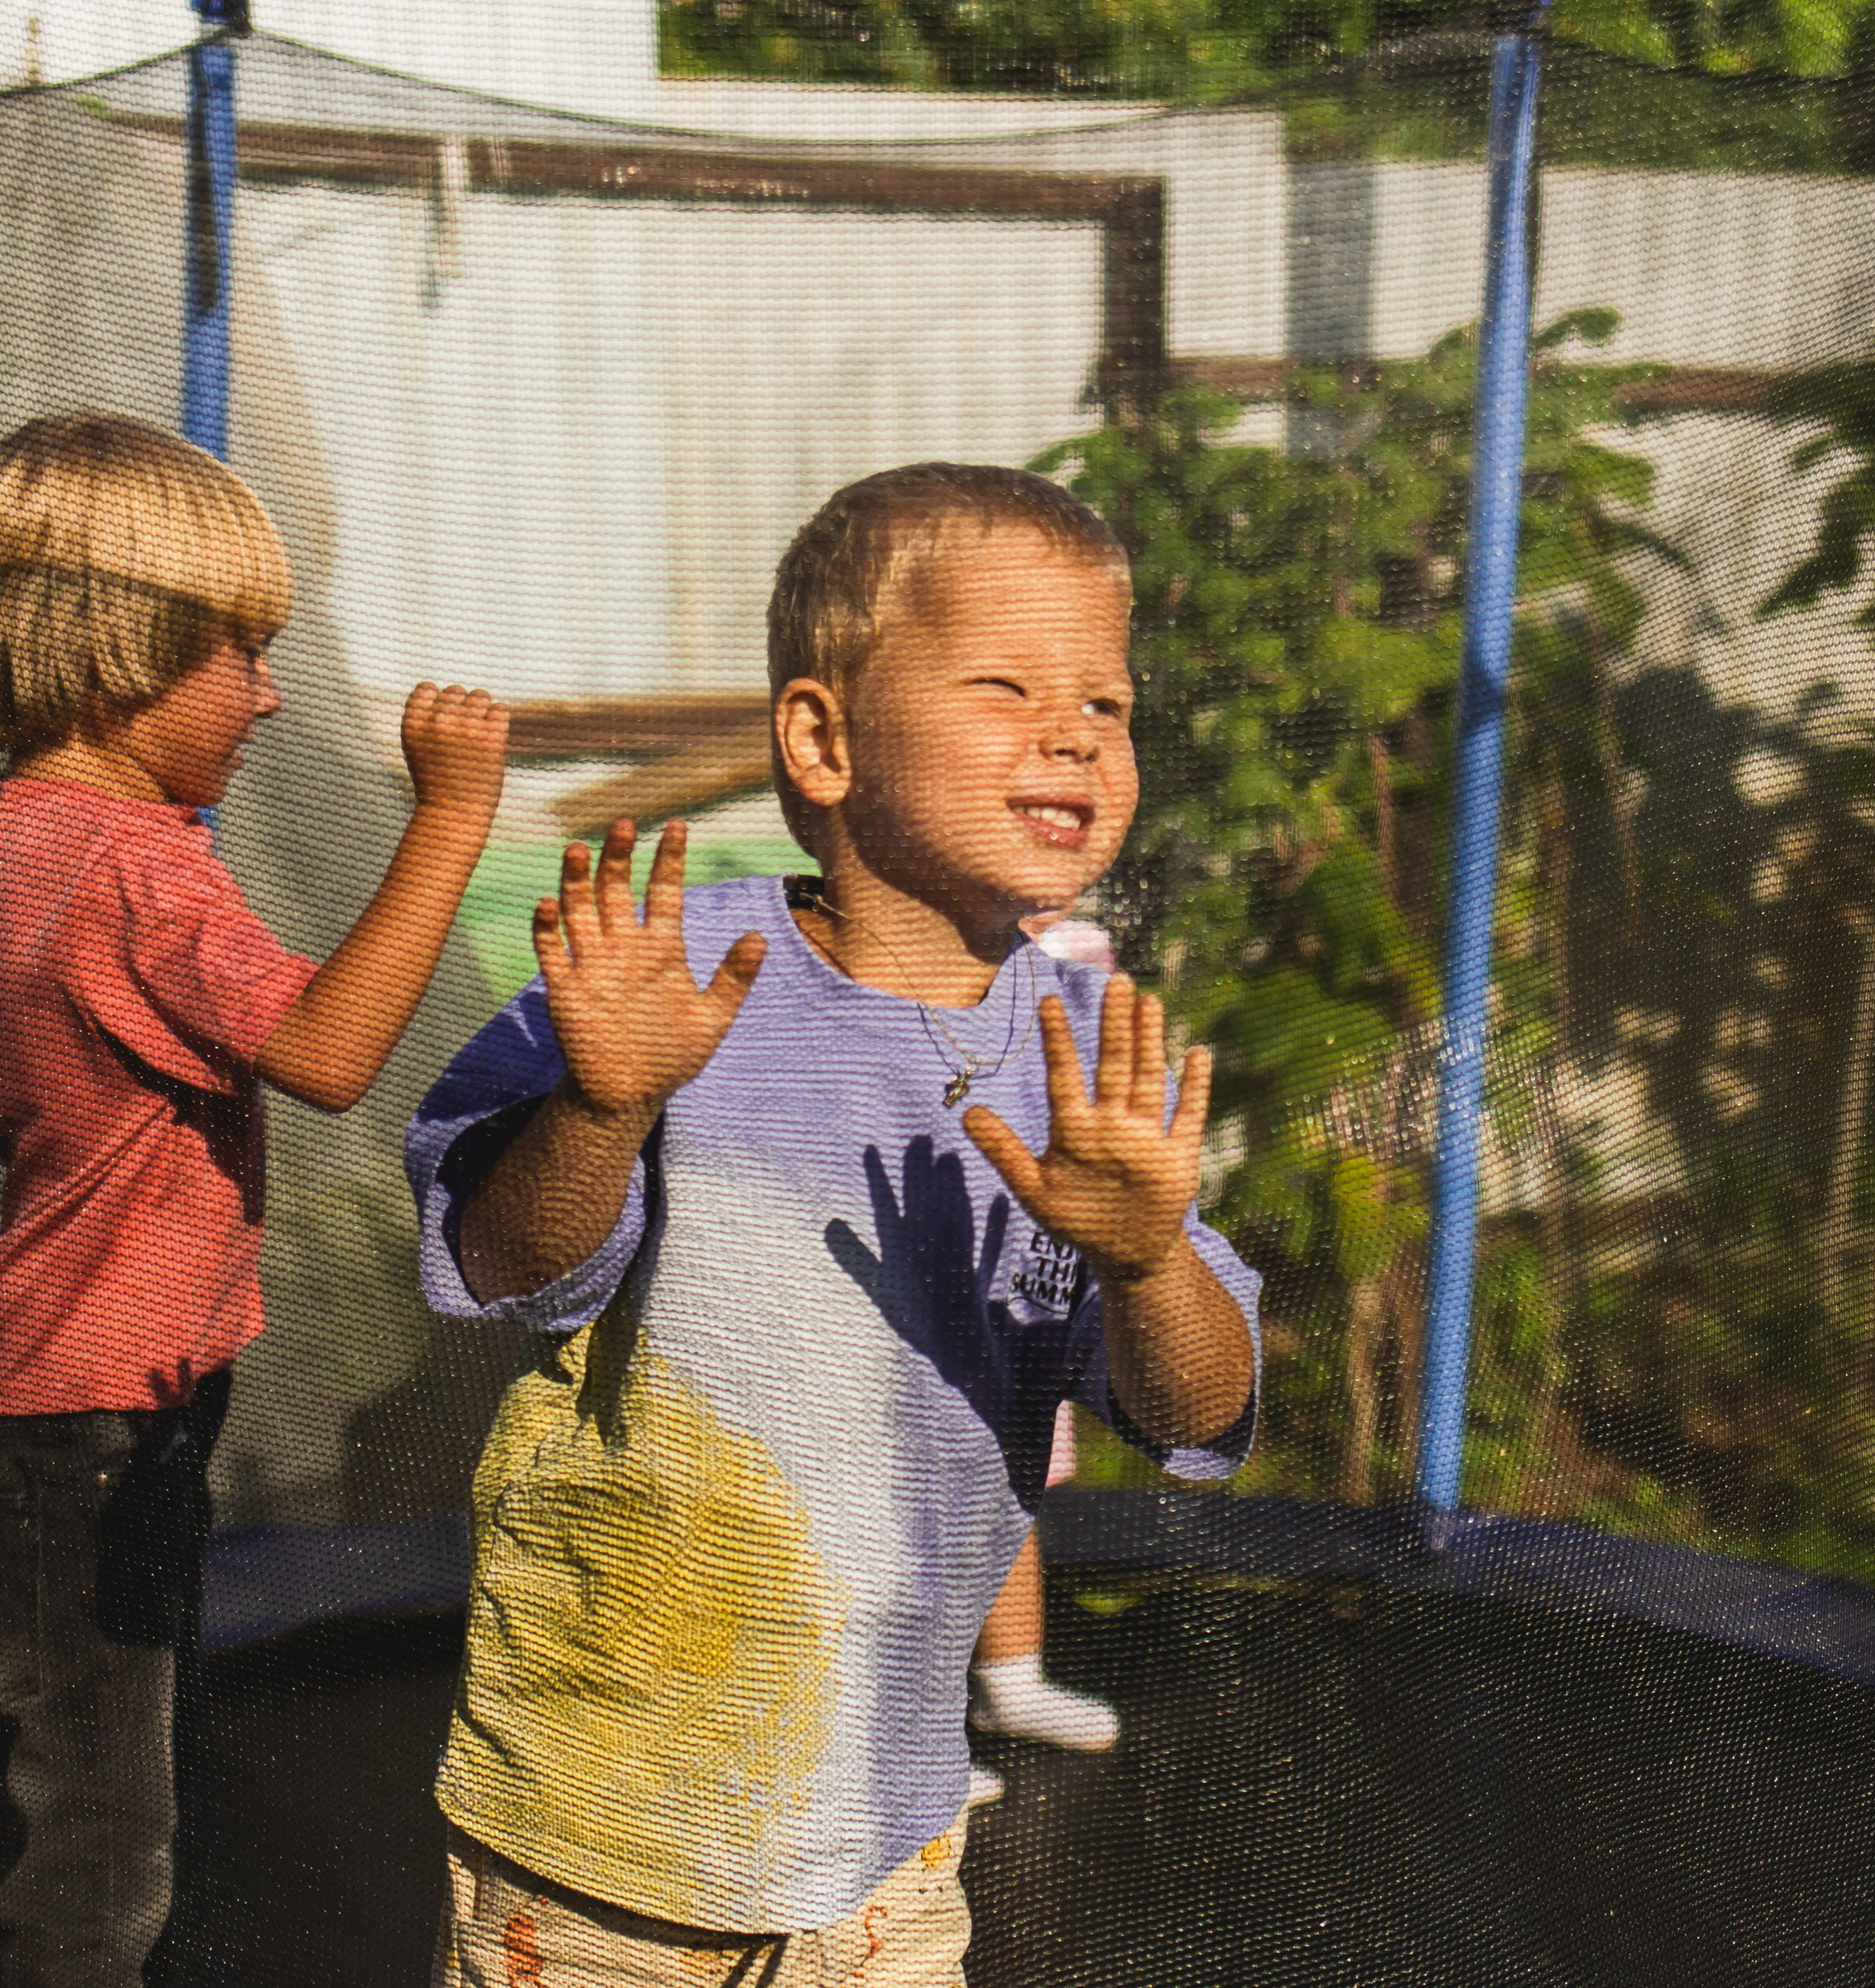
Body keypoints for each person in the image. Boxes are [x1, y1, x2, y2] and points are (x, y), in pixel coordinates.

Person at [407, 461, 1260, 1988]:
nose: (1073, 729)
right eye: (1006, 684)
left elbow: (1198, 1409)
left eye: (1108, 705)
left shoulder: (1088, 1058)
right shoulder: (675, 977)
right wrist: (600, 1108)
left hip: (886, 1854)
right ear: (822, 735)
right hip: (600, 1836)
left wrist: (1149, 1255)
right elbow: (500, 1269)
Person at [0, 412, 509, 1987]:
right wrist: (449, 817)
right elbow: (330, 1048)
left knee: (38, 1744)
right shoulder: (138, 869)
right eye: (238, 652)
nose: (271, 693)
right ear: (113, 654)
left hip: (32, 1381)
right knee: (100, 1822)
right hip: (101, 1415)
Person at [964, 915, 1122, 1810]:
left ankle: (1010, 1679)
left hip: (1025, 1276)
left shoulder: (1077, 948)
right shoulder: (915, 939)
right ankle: (893, 1735)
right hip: (926, 1271)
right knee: (909, 1518)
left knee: (1012, 1486)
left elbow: (1099, 1081)